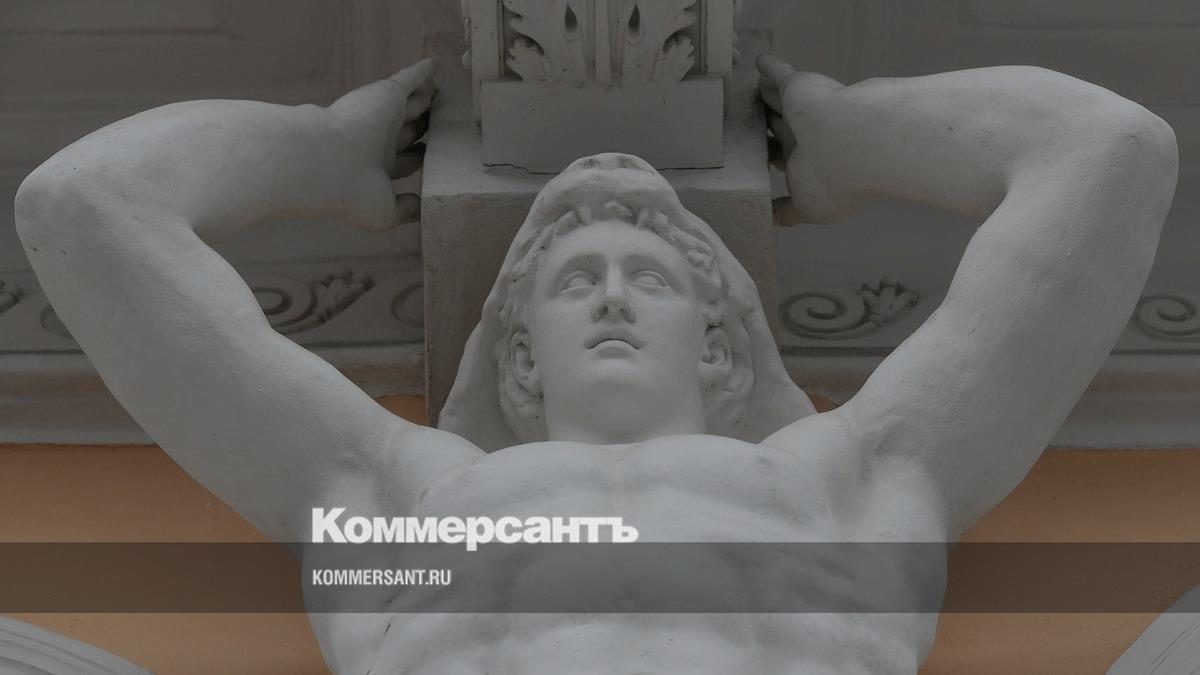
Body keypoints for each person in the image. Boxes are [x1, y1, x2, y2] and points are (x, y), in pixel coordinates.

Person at [15, 49, 1177, 673]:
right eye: (575, 282)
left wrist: (843, 131)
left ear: (718, 342)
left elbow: (1109, 151)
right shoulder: (394, 491)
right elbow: (86, 206)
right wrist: (323, 153)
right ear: (518, 360)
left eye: (653, 279)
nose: (613, 295)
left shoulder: (857, 477)